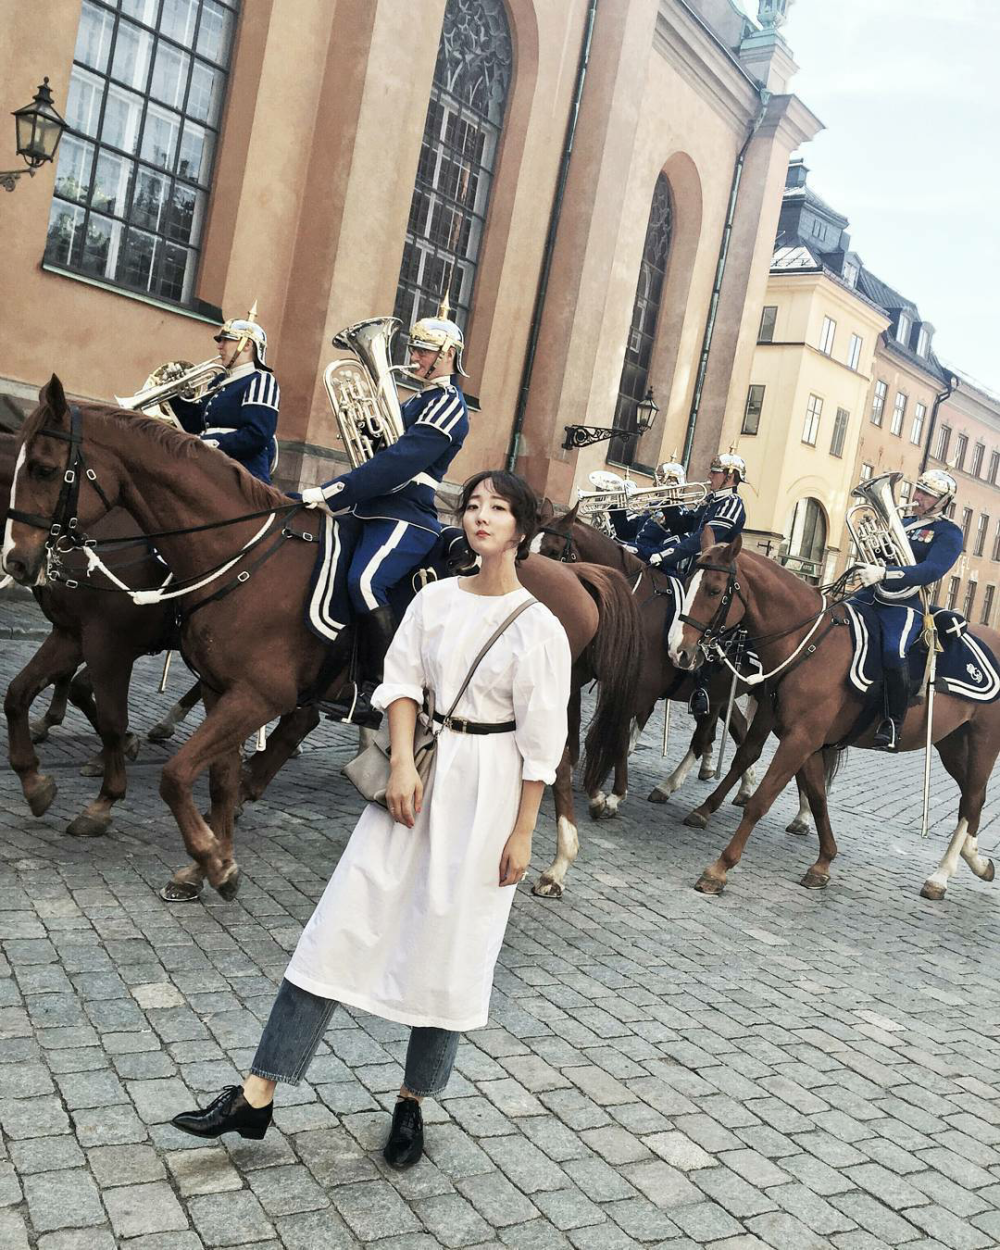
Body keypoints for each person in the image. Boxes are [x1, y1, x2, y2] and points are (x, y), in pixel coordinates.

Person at [170, 470, 571, 1171]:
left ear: (522, 527)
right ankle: (256, 1095)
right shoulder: (436, 599)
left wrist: (523, 831)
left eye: (498, 509)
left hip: (489, 790)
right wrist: (404, 766)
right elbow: (403, 682)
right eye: (473, 505)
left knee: (452, 952)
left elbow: (542, 743)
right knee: (338, 928)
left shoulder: (540, 629)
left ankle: (413, 1102)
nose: (480, 517)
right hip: (419, 775)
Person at [296, 307, 471, 727]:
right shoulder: (415, 402)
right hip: (369, 506)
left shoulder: (449, 404)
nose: (413, 356)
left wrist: (334, 490)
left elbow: (401, 463)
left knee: (365, 582)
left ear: (447, 355)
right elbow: (381, 453)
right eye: (412, 347)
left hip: (406, 513)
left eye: (423, 350)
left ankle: (381, 689)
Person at [854, 469, 961, 751]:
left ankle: (892, 723)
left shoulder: (948, 533)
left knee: (893, 649)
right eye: (918, 490)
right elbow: (880, 554)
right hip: (872, 594)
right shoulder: (903, 522)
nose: (917, 497)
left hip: (905, 603)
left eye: (927, 494)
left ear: (943, 501)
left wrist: (885, 574)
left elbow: (930, 570)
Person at [647, 450, 747, 716]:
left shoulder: (732, 505)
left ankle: (702, 688)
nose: (708, 476)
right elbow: (682, 525)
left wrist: (667, 554)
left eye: (714, 472)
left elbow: (700, 543)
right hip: (696, 573)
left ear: (729, 477)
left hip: (713, 577)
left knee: (703, 625)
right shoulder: (711, 502)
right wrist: (669, 499)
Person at [168, 308, 279, 485]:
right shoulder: (219, 380)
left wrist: (206, 443)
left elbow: (257, 435)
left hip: (242, 473)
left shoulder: (261, 380)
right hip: (208, 464)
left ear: (247, 345)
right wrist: (178, 394)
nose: (219, 346)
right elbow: (195, 426)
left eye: (226, 340)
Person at [608, 460, 694, 561]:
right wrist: (617, 507)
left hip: (656, 569)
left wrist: (633, 549)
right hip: (636, 561)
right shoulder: (655, 508)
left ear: (673, 481)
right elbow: (625, 532)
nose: (654, 484)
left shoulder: (678, 514)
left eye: (660, 478)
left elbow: (665, 551)